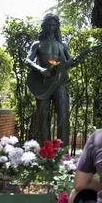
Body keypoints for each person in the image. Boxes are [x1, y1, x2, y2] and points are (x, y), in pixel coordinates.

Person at [25, 13, 73, 146]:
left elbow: (70, 62)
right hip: (43, 84)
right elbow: (28, 60)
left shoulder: (62, 45)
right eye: (49, 25)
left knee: (63, 116)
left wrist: (74, 61)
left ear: (57, 26)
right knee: (43, 117)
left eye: (54, 25)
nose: (51, 27)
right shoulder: (37, 44)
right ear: (44, 26)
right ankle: (45, 152)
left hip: (59, 83)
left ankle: (62, 153)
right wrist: (40, 69)